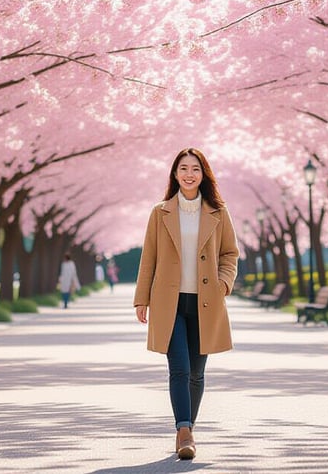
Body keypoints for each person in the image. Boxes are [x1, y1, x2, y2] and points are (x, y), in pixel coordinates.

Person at [133, 148, 239, 461]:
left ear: (203, 174)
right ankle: (183, 432)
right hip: (170, 302)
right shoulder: (160, 212)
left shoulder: (219, 212)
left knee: (196, 373)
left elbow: (230, 253)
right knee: (178, 368)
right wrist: (142, 298)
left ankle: (188, 427)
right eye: (183, 168)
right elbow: (148, 257)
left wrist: (223, 283)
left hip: (207, 301)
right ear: (175, 174)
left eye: (195, 169)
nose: (189, 174)